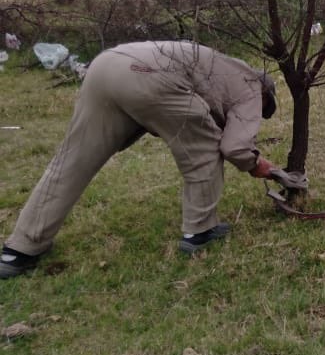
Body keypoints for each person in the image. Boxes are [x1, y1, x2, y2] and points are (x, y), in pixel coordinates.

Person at [1, 40, 292, 278]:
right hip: (149, 75)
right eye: (264, 110)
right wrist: (258, 165)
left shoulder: (222, 65)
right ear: (266, 95)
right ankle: (200, 233)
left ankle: (21, 249)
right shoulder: (254, 87)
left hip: (106, 65)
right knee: (204, 150)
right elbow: (235, 147)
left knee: (71, 162)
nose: (260, 113)